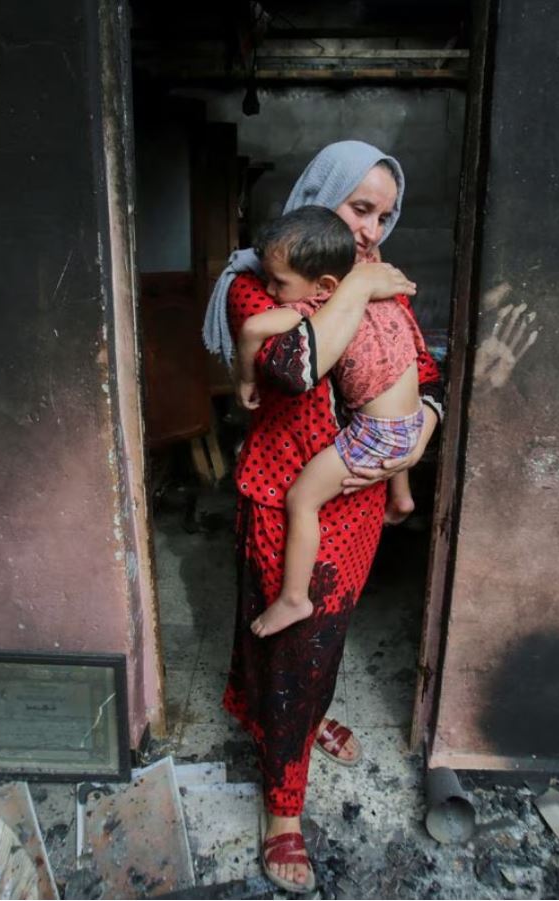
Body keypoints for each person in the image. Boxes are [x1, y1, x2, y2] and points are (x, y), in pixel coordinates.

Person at [202, 140, 443, 893]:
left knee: (319, 644)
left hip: (359, 498)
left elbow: (423, 376)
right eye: (356, 207)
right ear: (315, 196)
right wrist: (361, 285)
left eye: (383, 215)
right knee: (291, 646)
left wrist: (422, 426)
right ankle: (282, 812)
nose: (371, 228)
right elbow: (292, 365)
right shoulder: (256, 284)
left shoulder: (374, 284)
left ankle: (295, 726)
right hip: (284, 495)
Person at [234, 205, 426, 638]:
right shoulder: (379, 284)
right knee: (374, 409)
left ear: (324, 284)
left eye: (278, 282)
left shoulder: (320, 303)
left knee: (302, 499)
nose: (268, 288)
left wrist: (245, 377)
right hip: (409, 423)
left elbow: (253, 330)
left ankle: (294, 599)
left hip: (379, 434)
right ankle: (403, 496)